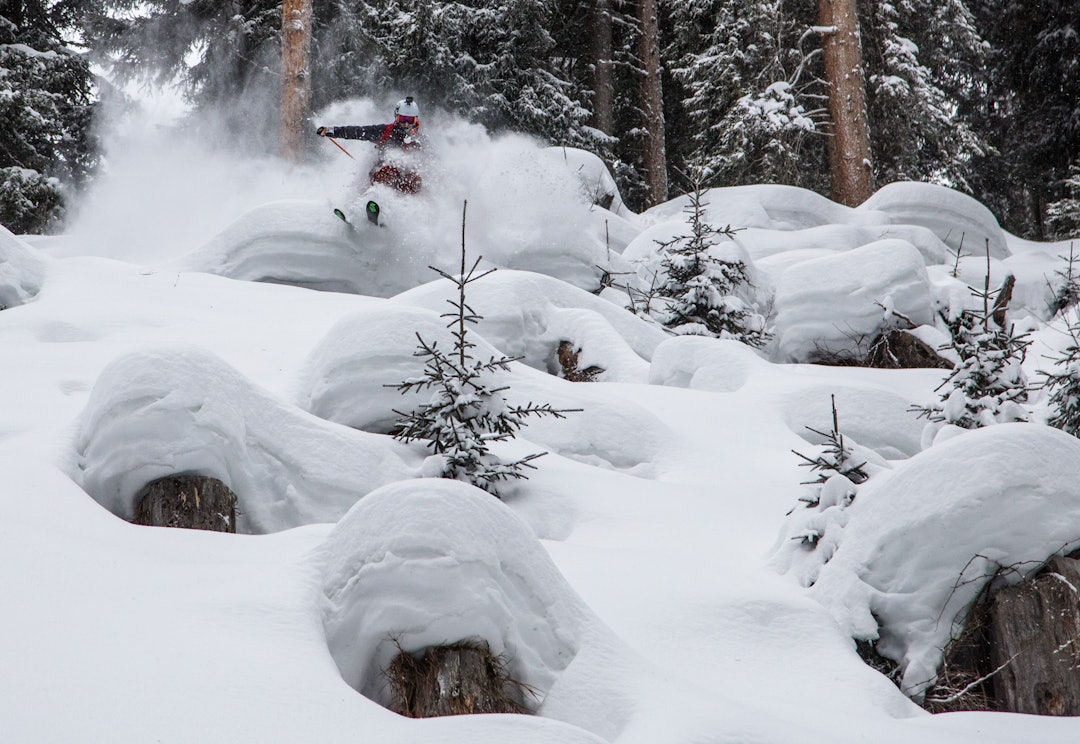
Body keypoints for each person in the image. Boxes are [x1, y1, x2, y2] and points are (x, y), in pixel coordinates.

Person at [316, 96, 422, 151]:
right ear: (396, 117)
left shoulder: (420, 139)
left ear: (415, 120)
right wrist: (330, 131)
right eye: (403, 119)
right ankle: (375, 191)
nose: (406, 124)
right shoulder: (386, 131)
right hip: (383, 172)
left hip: (411, 180)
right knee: (385, 171)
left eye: (410, 120)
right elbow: (358, 132)